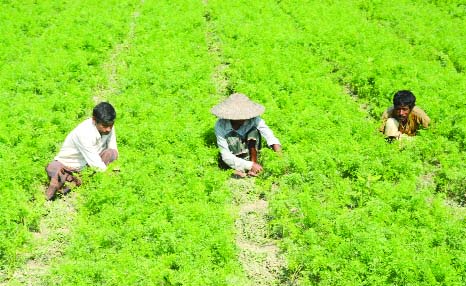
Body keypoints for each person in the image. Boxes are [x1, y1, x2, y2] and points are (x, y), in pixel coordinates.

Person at [45, 102, 118, 200]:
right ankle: (61, 187)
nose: (108, 129)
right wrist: (110, 175)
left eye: (111, 125)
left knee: (112, 153)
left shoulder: (109, 126)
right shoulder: (83, 133)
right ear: (94, 120)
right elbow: (95, 163)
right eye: (104, 126)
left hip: (90, 164)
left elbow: (113, 147)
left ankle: (78, 182)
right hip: (70, 166)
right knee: (56, 170)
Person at [211, 93, 281, 177]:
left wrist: (279, 156)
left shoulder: (253, 119)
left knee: (253, 132)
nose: (244, 119)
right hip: (234, 157)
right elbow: (226, 155)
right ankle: (239, 169)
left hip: (251, 152)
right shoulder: (221, 125)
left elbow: (269, 135)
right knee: (231, 139)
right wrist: (249, 165)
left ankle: (254, 165)